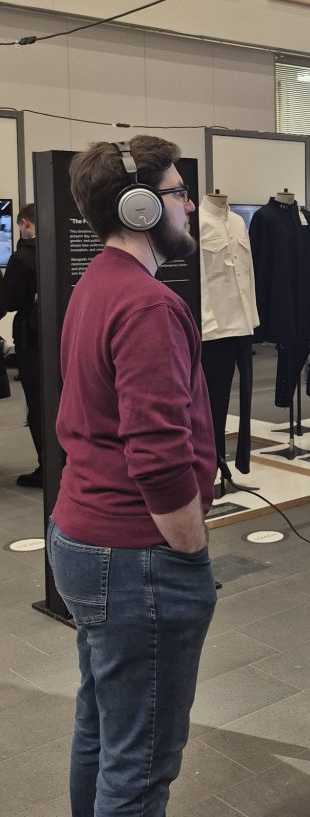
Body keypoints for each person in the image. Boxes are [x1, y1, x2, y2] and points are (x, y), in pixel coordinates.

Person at [47, 137, 217, 817]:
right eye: (178, 193)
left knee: (102, 732)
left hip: (84, 539)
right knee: (141, 766)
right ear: (140, 207)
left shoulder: (97, 283)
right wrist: (191, 550)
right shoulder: (148, 304)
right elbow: (159, 455)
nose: (189, 207)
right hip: (134, 557)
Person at [0, 203, 42, 487]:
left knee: (37, 403)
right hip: (62, 335)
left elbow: (8, 301)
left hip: (31, 338)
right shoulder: (59, 250)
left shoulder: (23, 258)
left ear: (24, 223)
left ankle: (46, 467)